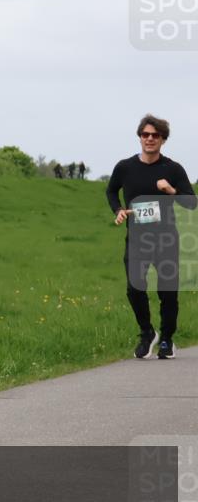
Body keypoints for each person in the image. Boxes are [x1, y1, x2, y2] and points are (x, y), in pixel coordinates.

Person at [106, 114, 196, 360]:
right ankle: (147, 333)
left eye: (155, 135)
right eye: (145, 134)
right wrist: (118, 210)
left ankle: (167, 339)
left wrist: (171, 190)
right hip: (137, 239)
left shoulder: (173, 169)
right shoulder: (125, 167)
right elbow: (112, 190)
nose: (149, 139)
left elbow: (191, 203)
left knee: (168, 292)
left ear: (163, 139)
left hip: (166, 239)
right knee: (134, 288)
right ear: (139, 137)